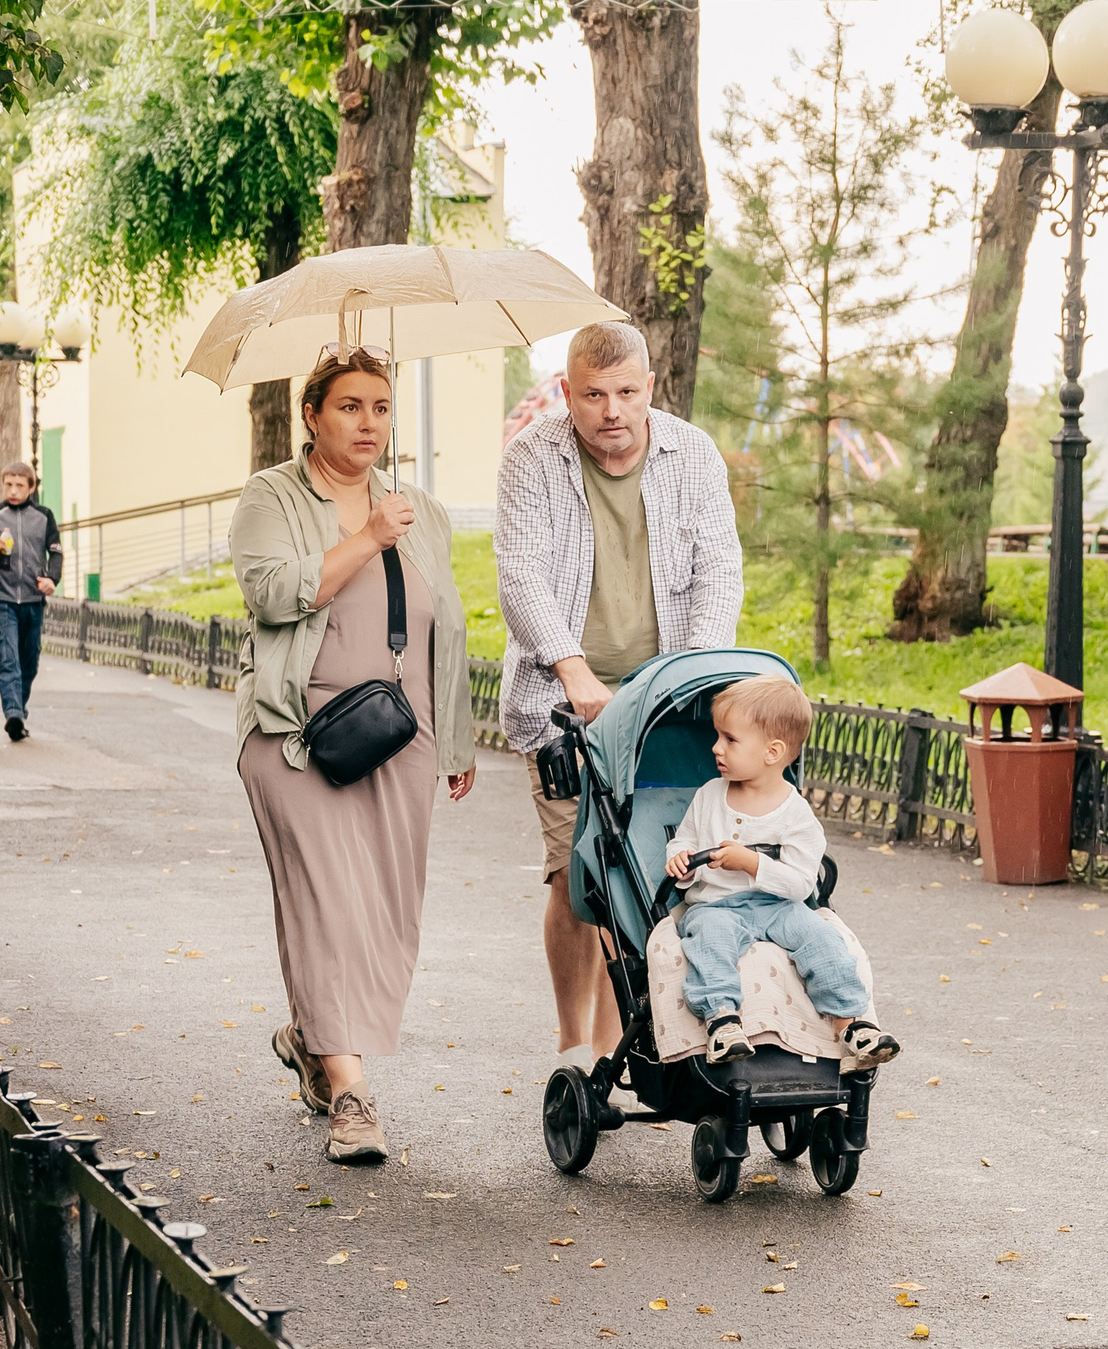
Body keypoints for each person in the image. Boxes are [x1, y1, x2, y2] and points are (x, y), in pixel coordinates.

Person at [232, 347, 476, 1164]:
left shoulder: (420, 511)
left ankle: (311, 1034)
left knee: (384, 915)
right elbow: (270, 593)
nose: (367, 422)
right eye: (349, 407)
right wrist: (367, 537)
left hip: (398, 736)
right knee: (327, 900)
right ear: (311, 415)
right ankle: (353, 1095)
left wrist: (458, 736)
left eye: (379, 406)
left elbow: (448, 625)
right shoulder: (272, 495)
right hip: (294, 734)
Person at [494, 319, 745, 1076]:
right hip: (564, 707)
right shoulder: (531, 459)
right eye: (594, 395)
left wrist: (689, 678)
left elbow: (718, 572)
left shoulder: (692, 454)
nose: (612, 411)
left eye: (627, 393)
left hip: (666, 704)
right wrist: (573, 671)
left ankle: (618, 1045)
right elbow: (521, 576)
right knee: (578, 880)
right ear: (566, 391)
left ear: (650, 388)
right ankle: (575, 1044)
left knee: (652, 870)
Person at [665, 674, 898, 1070]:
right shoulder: (708, 795)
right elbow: (683, 839)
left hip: (778, 906)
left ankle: (851, 1024)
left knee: (822, 939)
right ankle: (722, 1019)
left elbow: (802, 883)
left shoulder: (796, 814)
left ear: (772, 752)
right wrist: (681, 857)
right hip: (715, 904)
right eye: (718, 736)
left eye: (729, 739)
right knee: (709, 940)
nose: (715, 747)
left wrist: (752, 863)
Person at [0, 464, 63, 741]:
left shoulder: (44, 516)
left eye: (19, 486)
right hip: (2, 599)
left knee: (29, 661)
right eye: (8, 485)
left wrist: (51, 579)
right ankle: (13, 713)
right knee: (7, 657)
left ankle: (19, 709)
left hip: (34, 600)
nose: (13, 491)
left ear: (31, 488)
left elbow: (56, 553)